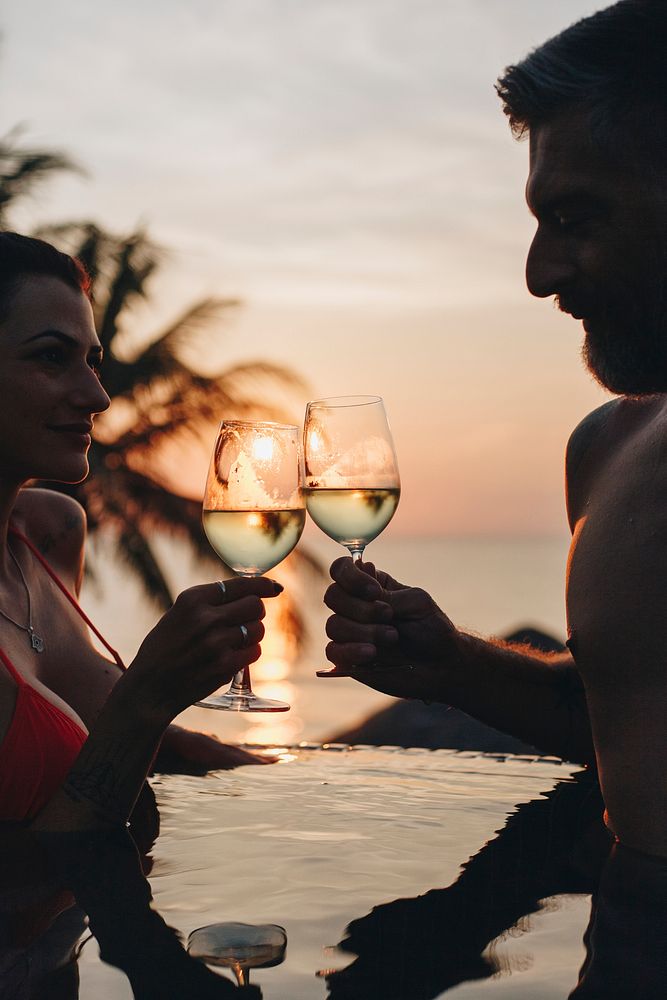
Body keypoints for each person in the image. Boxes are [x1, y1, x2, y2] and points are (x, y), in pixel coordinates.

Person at [323, 0, 667, 858]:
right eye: (537, 221)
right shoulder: (606, 450)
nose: (538, 273)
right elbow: (620, 727)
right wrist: (456, 668)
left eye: (578, 220)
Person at [0, 231, 281, 832]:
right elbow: (45, 860)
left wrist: (192, 745)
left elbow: (72, 726)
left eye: (92, 361)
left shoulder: (49, 532)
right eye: (52, 357)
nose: (97, 396)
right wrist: (149, 697)